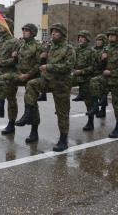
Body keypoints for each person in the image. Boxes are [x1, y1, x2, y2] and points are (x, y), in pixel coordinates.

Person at [24, 23, 75, 151]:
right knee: (31, 84)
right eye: (52, 31)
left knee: (62, 112)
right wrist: (43, 59)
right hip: (48, 80)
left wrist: (49, 66)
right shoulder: (49, 48)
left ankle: (63, 140)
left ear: (62, 34)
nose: (53, 34)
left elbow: (68, 67)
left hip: (62, 83)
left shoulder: (69, 49)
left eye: (56, 32)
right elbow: (42, 63)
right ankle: (28, 113)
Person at [0, 23, 42, 138]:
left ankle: (34, 131)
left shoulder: (38, 46)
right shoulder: (21, 45)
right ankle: (9, 120)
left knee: (32, 103)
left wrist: (27, 75)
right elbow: (17, 61)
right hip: (19, 74)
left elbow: (39, 64)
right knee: (5, 84)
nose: (24, 32)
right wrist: (15, 57)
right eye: (23, 30)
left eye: (26, 30)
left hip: (32, 77)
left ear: (32, 33)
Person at [87, 27, 118, 138]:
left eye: (113, 35)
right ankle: (96, 105)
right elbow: (100, 67)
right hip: (106, 79)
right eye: (109, 35)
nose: (110, 37)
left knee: (117, 105)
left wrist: (112, 72)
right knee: (93, 81)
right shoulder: (106, 49)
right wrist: (103, 60)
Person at [72, 30, 96, 131]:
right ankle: (62, 107)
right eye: (79, 37)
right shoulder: (76, 50)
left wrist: (82, 71)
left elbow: (93, 67)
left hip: (86, 77)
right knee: (63, 84)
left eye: (83, 37)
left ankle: (90, 122)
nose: (80, 39)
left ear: (87, 39)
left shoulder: (92, 51)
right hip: (76, 75)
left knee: (88, 101)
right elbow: (72, 62)